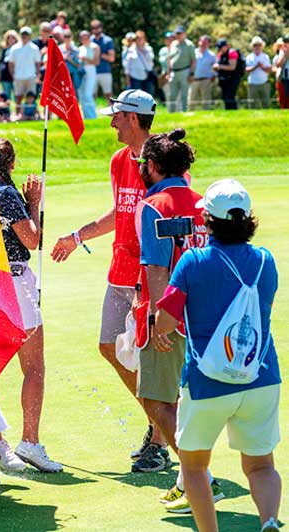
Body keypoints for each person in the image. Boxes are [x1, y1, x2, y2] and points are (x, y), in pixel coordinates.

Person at [153, 179, 281, 532]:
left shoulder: (192, 261)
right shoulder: (265, 261)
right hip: (260, 377)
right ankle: (269, 520)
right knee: (261, 466)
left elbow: (164, 324)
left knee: (194, 466)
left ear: (208, 220)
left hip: (207, 382)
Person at [51, 90, 169, 470]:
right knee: (108, 345)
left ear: (133, 118)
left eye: (117, 116)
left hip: (149, 275)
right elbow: (119, 213)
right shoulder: (119, 160)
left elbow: (168, 222)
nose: (112, 122)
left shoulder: (165, 161)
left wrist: (151, 287)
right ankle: (161, 421)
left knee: (151, 361)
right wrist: (77, 236)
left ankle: (160, 439)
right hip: (119, 270)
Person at [134, 129, 225, 513]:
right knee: (184, 400)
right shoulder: (203, 203)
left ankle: (200, 479)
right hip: (208, 317)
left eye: (143, 163)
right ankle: (188, 478)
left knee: (155, 398)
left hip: (173, 315)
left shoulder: (154, 204)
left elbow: (156, 265)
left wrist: (158, 319)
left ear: (153, 166)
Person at [0, 137, 63, 472]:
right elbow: (32, 238)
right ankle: (29, 442)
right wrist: (34, 203)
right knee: (33, 366)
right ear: (11, 165)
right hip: (14, 283)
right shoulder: (7, 194)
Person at [6, 26, 41, 120]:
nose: (24, 36)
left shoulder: (34, 48)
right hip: (18, 76)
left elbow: (37, 63)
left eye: (26, 35)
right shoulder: (15, 48)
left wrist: (37, 74)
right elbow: (11, 64)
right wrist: (13, 75)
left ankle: (32, 115)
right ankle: (18, 116)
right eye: (23, 35)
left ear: (29, 36)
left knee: (31, 98)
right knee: (18, 97)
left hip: (31, 76)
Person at [166, 26, 195, 113]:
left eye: (180, 33)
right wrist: (168, 73)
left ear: (184, 34)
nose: (178, 35)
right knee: (172, 94)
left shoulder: (189, 45)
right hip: (173, 72)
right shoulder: (173, 44)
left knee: (184, 94)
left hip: (185, 71)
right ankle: (171, 112)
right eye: (177, 33)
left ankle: (184, 112)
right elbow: (169, 59)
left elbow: (193, 61)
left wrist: (191, 74)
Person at [213, 39, 242, 110]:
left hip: (232, 80)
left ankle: (234, 112)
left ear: (226, 46)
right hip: (224, 80)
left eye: (221, 47)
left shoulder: (232, 52)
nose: (219, 49)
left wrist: (219, 66)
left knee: (230, 97)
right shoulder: (220, 54)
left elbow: (232, 67)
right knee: (225, 97)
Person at [189, 35, 216, 110]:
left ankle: (206, 115)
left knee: (206, 101)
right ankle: (190, 114)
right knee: (191, 100)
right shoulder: (193, 53)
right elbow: (189, 65)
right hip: (194, 80)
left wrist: (214, 75)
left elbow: (215, 66)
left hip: (206, 80)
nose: (203, 44)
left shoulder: (211, 55)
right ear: (199, 42)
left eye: (205, 42)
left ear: (208, 44)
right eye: (202, 41)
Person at [123, 31, 155, 95]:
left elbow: (151, 59)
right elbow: (127, 66)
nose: (139, 40)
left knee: (148, 95)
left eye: (141, 38)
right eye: (137, 38)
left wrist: (143, 50)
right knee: (135, 96)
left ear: (144, 39)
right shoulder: (130, 50)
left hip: (147, 76)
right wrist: (127, 79)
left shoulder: (148, 49)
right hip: (134, 77)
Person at [245, 36, 272, 109]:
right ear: (252, 47)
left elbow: (269, 69)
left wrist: (262, 66)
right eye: (255, 45)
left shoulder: (265, 57)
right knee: (252, 104)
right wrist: (256, 66)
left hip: (264, 83)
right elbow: (247, 69)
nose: (257, 47)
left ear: (261, 46)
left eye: (259, 45)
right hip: (252, 83)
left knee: (266, 103)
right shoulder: (249, 57)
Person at [91, 20, 115, 100]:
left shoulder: (108, 40)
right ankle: (92, 113)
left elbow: (112, 58)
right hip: (92, 71)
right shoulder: (89, 40)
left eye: (97, 27)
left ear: (101, 28)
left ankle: (112, 112)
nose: (95, 29)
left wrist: (99, 54)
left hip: (105, 71)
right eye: (93, 28)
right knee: (92, 95)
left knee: (108, 95)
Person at [78, 30, 100, 119]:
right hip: (82, 71)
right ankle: (86, 116)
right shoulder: (80, 48)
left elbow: (96, 62)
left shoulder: (95, 47)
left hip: (91, 70)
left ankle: (92, 116)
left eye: (86, 37)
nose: (84, 39)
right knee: (81, 94)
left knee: (88, 94)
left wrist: (85, 59)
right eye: (82, 37)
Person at [0, 30, 18, 100]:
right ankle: (7, 110)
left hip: (16, 75)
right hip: (5, 75)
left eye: (13, 37)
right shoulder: (4, 50)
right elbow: (0, 63)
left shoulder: (18, 49)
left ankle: (17, 111)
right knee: (6, 96)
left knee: (17, 96)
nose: (11, 39)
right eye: (9, 38)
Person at [272, 37, 288, 109]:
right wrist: (285, 55)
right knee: (283, 99)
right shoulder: (281, 53)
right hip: (283, 78)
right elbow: (278, 65)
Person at [157, 32, 174, 103]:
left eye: (171, 38)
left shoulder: (177, 49)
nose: (169, 40)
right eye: (167, 39)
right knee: (167, 94)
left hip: (174, 73)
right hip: (164, 75)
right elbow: (162, 61)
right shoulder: (162, 50)